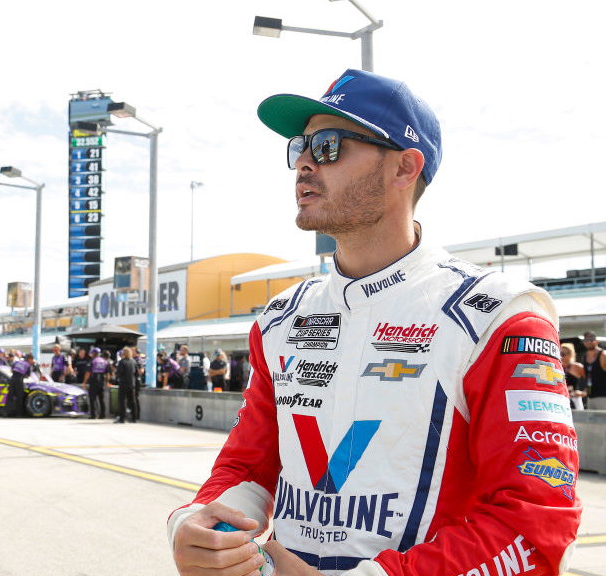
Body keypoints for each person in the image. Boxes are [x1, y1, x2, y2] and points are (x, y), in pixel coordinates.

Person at [169, 69, 581, 576]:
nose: (303, 163)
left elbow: (536, 524)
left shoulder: (497, 314)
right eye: (299, 147)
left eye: (328, 146)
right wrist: (199, 526)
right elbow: (248, 466)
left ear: (405, 167)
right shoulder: (281, 318)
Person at [583, 331, 606, 410]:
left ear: (596, 341)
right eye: (586, 340)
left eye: (591, 339)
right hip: (590, 397)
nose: (589, 342)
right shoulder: (585, 356)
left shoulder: (603, 354)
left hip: (603, 397)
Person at [114, 347, 138, 423]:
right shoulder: (133, 362)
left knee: (122, 401)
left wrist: (116, 379)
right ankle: (134, 418)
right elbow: (136, 373)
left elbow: (118, 373)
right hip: (132, 384)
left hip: (123, 384)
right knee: (132, 401)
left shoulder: (122, 362)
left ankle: (122, 418)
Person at [561, 342, 586, 410]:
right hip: (561, 397)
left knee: (578, 416)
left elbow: (590, 380)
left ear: (570, 354)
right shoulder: (557, 366)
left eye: (562, 354)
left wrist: (584, 393)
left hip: (575, 399)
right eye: (559, 354)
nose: (560, 356)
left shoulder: (577, 367)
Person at [6, 353, 32, 417]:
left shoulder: (17, 361)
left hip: (12, 379)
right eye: (31, 360)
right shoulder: (28, 365)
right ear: (29, 359)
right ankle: (19, 414)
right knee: (19, 397)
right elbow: (28, 376)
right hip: (19, 380)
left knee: (10, 396)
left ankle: (7, 413)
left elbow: (11, 370)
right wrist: (23, 375)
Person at [88, 346, 109, 419]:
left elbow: (88, 372)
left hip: (94, 381)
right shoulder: (105, 361)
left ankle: (94, 415)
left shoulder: (92, 361)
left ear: (94, 353)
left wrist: (84, 382)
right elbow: (108, 373)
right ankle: (103, 414)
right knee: (101, 399)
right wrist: (107, 381)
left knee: (92, 398)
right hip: (102, 381)